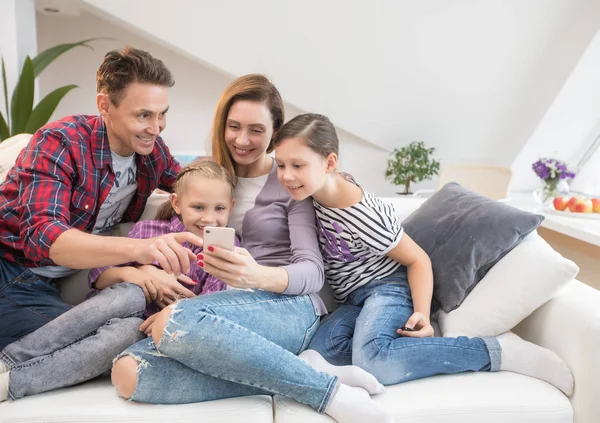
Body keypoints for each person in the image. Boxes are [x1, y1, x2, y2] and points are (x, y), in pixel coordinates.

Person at [111, 74, 395, 423]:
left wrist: (258, 275)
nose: (242, 140)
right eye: (234, 126)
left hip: (288, 307)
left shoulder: (290, 181)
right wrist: (141, 271)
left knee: (176, 320)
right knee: (127, 372)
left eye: (256, 130)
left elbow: (313, 272)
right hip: (223, 312)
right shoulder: (207, 175)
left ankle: (328, 394)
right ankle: (299, 372)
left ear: (275, 132)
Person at [272, 112, 575, 396]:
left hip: (387, 289)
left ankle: (496, 352)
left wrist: (421, 314)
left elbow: (418, 259)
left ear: (329, 163)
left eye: (298, 166)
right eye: (281, 165)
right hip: (353, 299)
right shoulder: (315, 192)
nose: (286, 175)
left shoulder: (363, 215)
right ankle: (370, 355)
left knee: (374, 360)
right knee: (316, 352)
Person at [0, 46, 203, 402]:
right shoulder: (60, 142)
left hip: (51, 285)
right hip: (9, 272)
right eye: (143, 115)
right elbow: (47, 239)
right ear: (105, 106)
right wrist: (140, 251)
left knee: (131, 328)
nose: (155, 127)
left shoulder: (150, 151)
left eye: (162, 114)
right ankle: (9, 376)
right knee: (128, 335)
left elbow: (197, 187)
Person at [89, 159, 237, 323]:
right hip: (114, 307)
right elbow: (98, 277)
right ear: (177, 203)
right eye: (198, 207)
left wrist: (168, 317)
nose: (209, 218)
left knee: (128, 329)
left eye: (220, 208)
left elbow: (213, 301)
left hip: (160, 326)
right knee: (129, 295)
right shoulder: (147, 230)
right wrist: (132, 273)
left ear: (231, 207)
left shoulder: (227, 246)